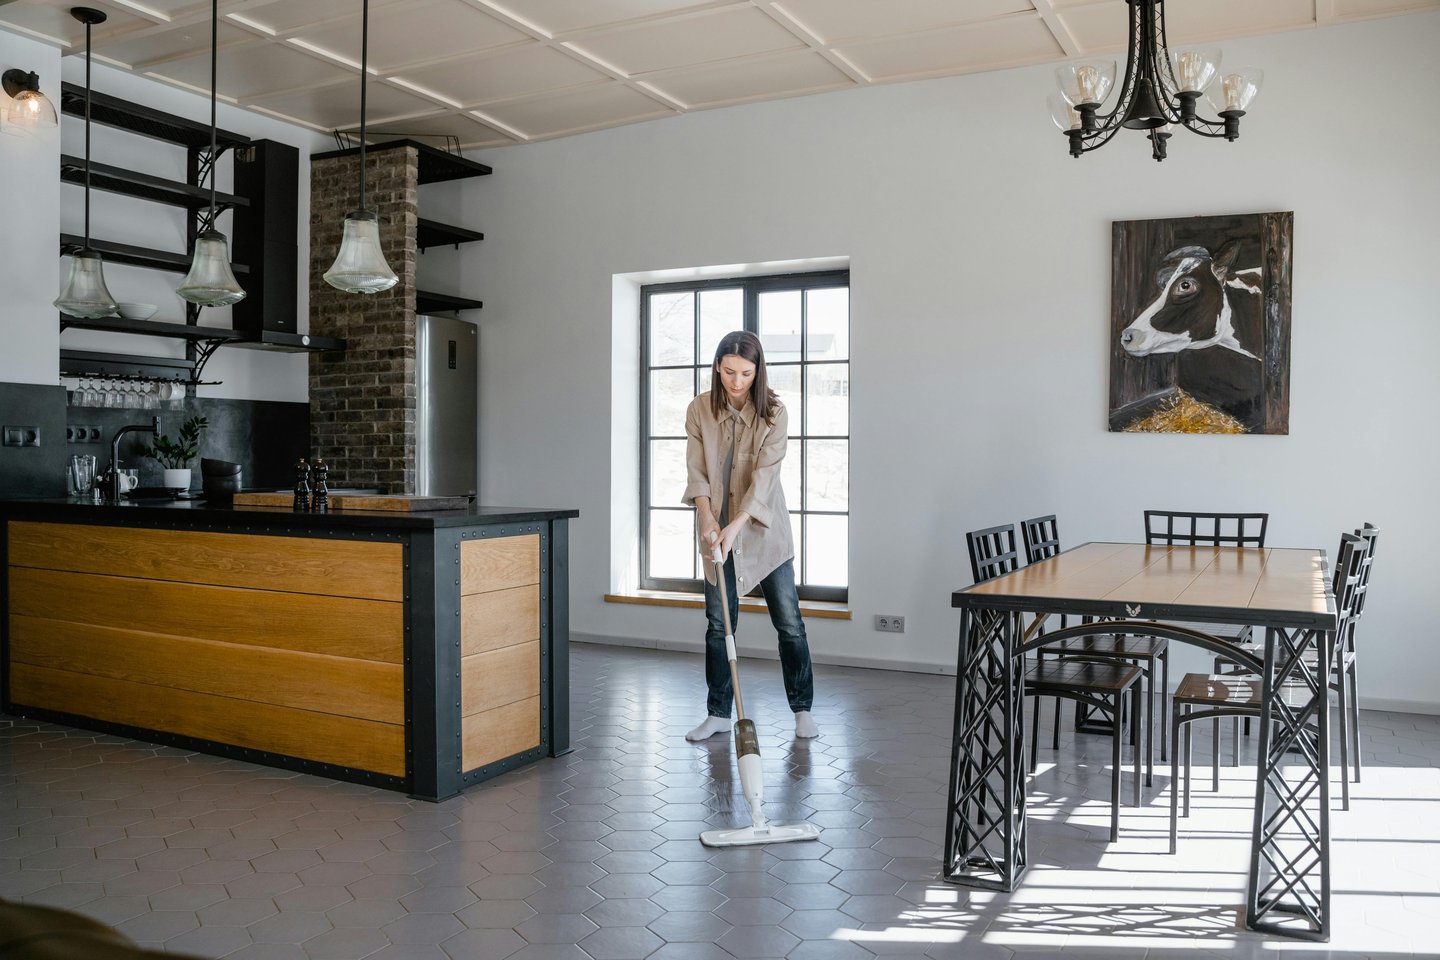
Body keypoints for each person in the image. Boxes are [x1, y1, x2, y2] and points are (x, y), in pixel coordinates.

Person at [681, 330, 818, 742]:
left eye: (744, 373)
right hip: (714, 532)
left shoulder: (775, 413)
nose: (735, 382)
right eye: (727, 372)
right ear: (717, 368)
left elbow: (764, 480)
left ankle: (802, 710)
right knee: (719, 625)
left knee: (789, 623)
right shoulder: (699, 409)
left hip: (763, 531)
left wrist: (734, 524)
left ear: (757, 372)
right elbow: (696, 471)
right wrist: (707, 518)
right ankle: (718, 712)